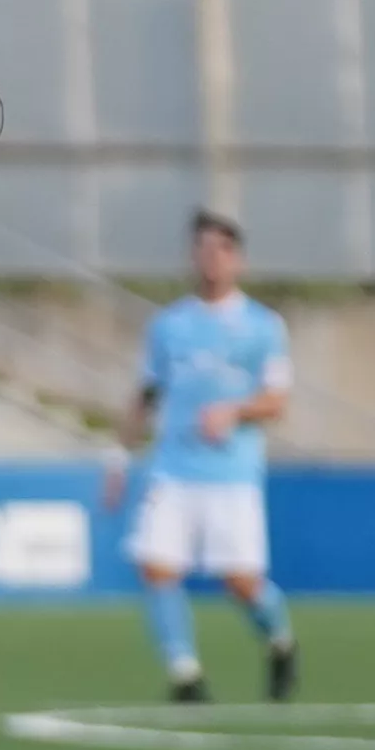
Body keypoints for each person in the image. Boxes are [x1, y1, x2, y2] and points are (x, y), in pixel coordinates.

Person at [105, 211, 299, 702]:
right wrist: (118, 459)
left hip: (232, 474)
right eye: (203, 249)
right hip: (173, 468)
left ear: (238, 259)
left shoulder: (262, 327)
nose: (211, 259)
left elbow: (277, 400)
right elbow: (146, 396)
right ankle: (185, 673)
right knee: (156, 566)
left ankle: (279, 639)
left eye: (222, 250)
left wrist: (234, 411)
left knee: (241, 582)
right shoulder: (169, 326)